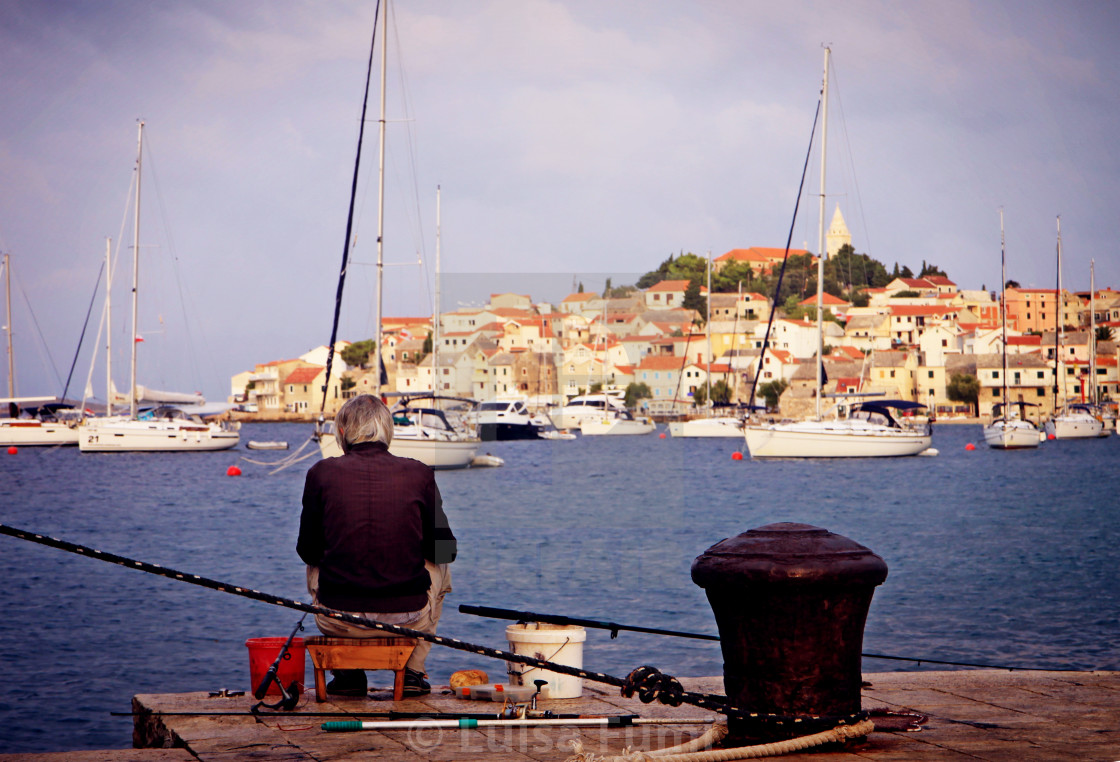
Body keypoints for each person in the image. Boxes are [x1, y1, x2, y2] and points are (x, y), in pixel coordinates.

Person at [297, 394, 456, 697]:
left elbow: (308, 551)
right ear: (388, 429)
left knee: (317, 558)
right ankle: (412, 671)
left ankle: (347, 675)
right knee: (441, 566)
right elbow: (445, 550)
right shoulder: (420, 472)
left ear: (342, 433)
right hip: (407, 617)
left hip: (338, 620)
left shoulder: (320, 473)